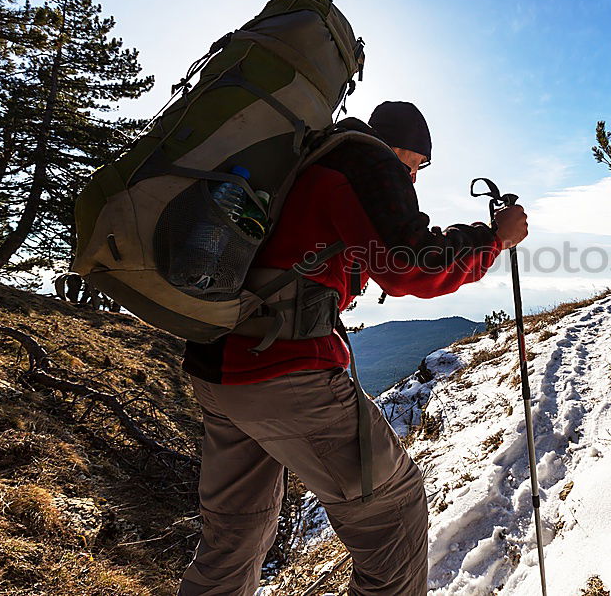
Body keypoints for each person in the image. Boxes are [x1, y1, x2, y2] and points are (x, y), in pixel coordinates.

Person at [178, 101, 529, 596]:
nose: (413, 177)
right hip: (283, 370)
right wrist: (494, 239)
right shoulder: (365, 161)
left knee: (237, 531)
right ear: (403, 148)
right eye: (417, 165)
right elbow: (411, 265)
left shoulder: (308, 161)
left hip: (216, 363)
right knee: (395, 513)